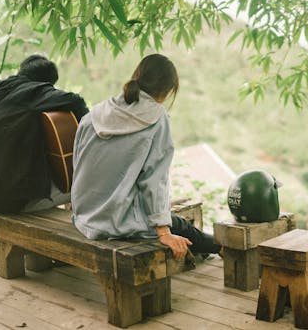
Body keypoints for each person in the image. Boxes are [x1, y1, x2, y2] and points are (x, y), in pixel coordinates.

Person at [71, 53, 220, 260]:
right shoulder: (157, 119)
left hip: (85, 217)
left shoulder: (95, 114)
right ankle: (224, 249)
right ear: (167, 91)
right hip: (116, 224)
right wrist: (164, 233)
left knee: (177, 225)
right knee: (181, 226)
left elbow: (78, 163)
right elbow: (155, 181)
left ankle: (206, 252)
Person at [0, 54, 89, 213]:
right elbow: (75, 100)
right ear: (46, 84)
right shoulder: (33, 92)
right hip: (14, 201)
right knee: (87, 183)